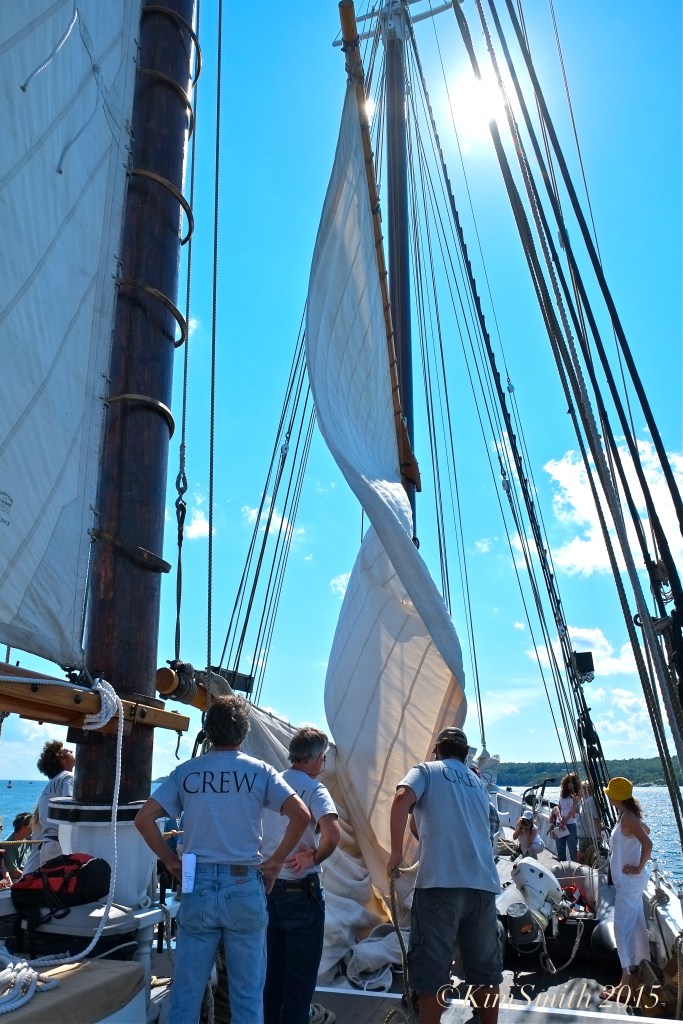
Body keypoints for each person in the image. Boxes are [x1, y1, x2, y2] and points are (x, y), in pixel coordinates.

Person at [135, 694, 310, 1024]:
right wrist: (275, 862)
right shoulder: (260, 772)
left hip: (197, 883)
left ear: (208, 731)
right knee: (247, 996)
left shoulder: (186, 772)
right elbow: (301, 815)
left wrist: (170, 861)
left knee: (186, 993)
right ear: (243, 733)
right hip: (244, 884)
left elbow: (144, 819)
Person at [388, 727, 502, 1024]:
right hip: (482, 888)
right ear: (464, 755)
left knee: (432, 974)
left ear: (437, 750)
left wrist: (396, 852)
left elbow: (402, 798)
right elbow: (488, 827)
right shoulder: (478, 784)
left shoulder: (426, 770)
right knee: (486, 973)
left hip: (439, 885)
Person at [262, 726, 341, 1024]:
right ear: (316, 758)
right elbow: (332, 835)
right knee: (299, 985)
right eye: (324, 757)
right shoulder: (314, 790)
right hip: (301, 896)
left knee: (270, 980)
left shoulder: (270, 783)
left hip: (266, 891)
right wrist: (313, 857)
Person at [600, 777, 652, 1002]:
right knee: (637, 927)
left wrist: (638, 867)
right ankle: (638, 977)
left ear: (616, 797)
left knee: (622, 931)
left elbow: (648, 843)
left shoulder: (628, 817)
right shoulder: (627, 816)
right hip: (630, 885)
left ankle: (626, 987)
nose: (608, 796)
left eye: (610, 793)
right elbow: (645, 830)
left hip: (629, 885)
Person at [21, 740, 75, 876]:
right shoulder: (68, 778)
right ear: (61, 759)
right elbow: (70, 807)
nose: (71, 751)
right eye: (67, 750)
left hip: (48, 845)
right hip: (61, 845)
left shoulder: (49, 786)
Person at [551, 772, 579, 861]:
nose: (570, 784)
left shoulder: (576, 796)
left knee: (572, 848)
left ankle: (575, 865)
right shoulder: (562, 796)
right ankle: (562, 864)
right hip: (560, 823)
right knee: (560, 848)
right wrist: (560, 819)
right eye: (568, 782)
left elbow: (573, 811)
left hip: (571, 824)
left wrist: (564, 821)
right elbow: (559, 808)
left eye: (572, 783)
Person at [1, 812, 33, 880]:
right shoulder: (8, 845)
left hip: (27, 873)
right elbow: (14, 873)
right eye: (32, 825)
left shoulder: (28, 839)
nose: (34, 828)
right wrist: (32, 876)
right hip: (18, 879)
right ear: (23, 827)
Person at [576, 780, 602, 864]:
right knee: (582, 856)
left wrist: (600, 834)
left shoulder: (590, 801)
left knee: (583, 856)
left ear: (586, 789)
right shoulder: (583, 801)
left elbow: (596, 818)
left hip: (590, 836)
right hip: (584, 835)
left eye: (581, 789)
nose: (580, 791)